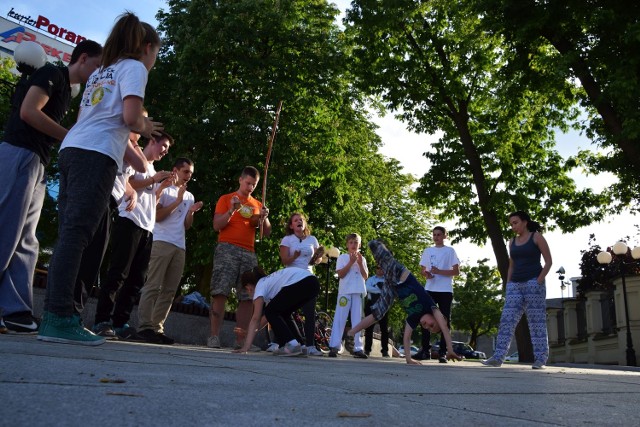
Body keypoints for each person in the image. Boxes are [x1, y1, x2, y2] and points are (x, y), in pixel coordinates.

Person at [38, 13, 163, 345]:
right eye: (156, 55)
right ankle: (60, 318)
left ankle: (53, 314)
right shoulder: (134, 68)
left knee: (69, 234)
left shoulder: (101, 72)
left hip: (73, 150)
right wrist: (147, 128)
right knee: (78, 236)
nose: (154, 62)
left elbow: (97, 118)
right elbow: (130, 118)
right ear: (147, 47)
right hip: (95, 156)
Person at [0, 40, 102, 334]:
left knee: (27, 240)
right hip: (19, 153)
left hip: (37, 162)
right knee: (6, 231)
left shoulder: (67, 91)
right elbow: (29, 111)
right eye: (97, 66)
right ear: (83, 59)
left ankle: (16, 310)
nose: (97, 74)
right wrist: (70, 136)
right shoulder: (52, 73)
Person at [92, 131, 173, 339]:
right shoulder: (136, 161)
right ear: (152, 142)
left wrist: (160, 187)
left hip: (147, 228)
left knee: (137, 279)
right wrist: (153, 179)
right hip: (129, 222)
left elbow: (150, 200)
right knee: (118, 273)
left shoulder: (152, 169)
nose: (165, 151)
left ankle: (121, 322)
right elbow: (128, 183)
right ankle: (102, 319)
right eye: (163, 146)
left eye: (168, 149)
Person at [348, 239, 462, 365]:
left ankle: (350, 333)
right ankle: (375, 244)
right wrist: (450, 350)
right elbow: (445, 328)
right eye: (431, 324)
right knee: (386, 260)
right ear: (436, 317)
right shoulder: (431, 306)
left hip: (392, 288)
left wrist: (408, 359)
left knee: (378, 314)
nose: (425, 325)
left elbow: (407, 338)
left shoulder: (414, 318)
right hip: (400, 274)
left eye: (426, 328)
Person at [73, 128, 148, 315]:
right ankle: (71, 311)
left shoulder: (126, 141)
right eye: (140, 123)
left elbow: (125, 175)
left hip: (110, 200)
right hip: (101, 196)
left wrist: (128, 189)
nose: (142, 128)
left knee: (94, 257)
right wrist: (135, 141)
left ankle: (74, 312)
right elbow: (142, 165)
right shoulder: (120, 136)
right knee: (88, 257)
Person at [135, 158, 203, 344]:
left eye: (191, 173)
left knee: (169, 291)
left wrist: (190, 212)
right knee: (153, 285)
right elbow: (158, 217)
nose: (189, 176)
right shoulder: (165, 189)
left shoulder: (189, 196)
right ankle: (144, 327)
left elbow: (187, 226)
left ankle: (157, 328)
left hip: (179, 246)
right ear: (176, 170)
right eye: (186, 172)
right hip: (162, 242)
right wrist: (177, 201)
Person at [208, 166, 271, 349]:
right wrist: (231, 211)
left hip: (249, 252)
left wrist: (264, 217)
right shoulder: (226, 199)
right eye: (248, 183)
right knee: (220, 292)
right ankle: (213, 336)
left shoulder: (258, 204)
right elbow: (216, 225)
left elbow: (265, 232)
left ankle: (241, 339)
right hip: (227, 248)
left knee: (247, 296)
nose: (250, 187)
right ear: (240, 180)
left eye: (254, 184)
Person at [481, 211, 552, 369]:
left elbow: (549, 261)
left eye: (516, 222)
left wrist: (538, 281)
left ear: (525, 222)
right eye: (511, 224)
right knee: (507, 320)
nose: (513, 226)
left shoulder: (536, 237)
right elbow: (511, 265)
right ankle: (498, 357)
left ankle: (540, 359)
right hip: (515, 285)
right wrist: (508, 283)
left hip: (534, 283)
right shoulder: (512, 242)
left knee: (537, 322)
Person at [233, 267, 320, 356]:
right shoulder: (269, 283)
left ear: (248, 287)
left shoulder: (260, 286)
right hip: (313, 282)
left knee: (270, 311)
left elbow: (256, 318)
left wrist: (246, 347)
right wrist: (249, 332)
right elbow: (266, 319)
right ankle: (301, 346)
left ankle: (291, 345)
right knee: (283, 313)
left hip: (301, 282)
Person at [279, 212, 324, 356]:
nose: (299, 222)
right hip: (291, 278)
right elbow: (285, 261)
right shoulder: (287, 239)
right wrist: (294, 257)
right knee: (284, 311)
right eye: (296, 220)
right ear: (291, 225)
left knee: (309, 312)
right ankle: (282, 342)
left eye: (301, 220)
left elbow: (317, 261)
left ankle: (310, 346)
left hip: (307, 278)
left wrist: (317, 257)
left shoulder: (312, 239)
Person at [415, 226, 460, 363]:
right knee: (425, 319)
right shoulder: (428, 251)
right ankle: (425, 350)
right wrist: (427, 274)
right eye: (434, 235)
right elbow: (423, 270)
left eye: (439, 234)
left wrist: (440, 271)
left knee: (445, 320)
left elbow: (456, 271)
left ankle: (443, 352)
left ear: (445, 236)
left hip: (445, 290)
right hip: (430, 289)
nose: (436, 237)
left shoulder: (450, 251)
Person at [328, 233, 368, 359]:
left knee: (357, 320)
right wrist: (351, 262)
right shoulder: (343, 258)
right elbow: (341, 274)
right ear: (347, 245)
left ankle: (358, 348)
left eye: (356, 242)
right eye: (351, 242)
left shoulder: (362, 258)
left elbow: (365, 276)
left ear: (359, 245)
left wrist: (360, 264)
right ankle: (335, 345)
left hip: (358, 291)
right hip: (345, 292)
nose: (353, 245)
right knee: (340, 318)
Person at [364, 265, 389, 357]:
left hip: (383, 304)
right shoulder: (371, 279)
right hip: (371, 304)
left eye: (381, 268)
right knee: (369, 327)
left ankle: (385, 350)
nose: (380, 270)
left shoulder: (387, 280)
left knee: (384, 328)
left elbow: (388, 290)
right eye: (378, 268)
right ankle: (367, 349)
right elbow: (367, 288)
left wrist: (377, 289)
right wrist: (379, 290)